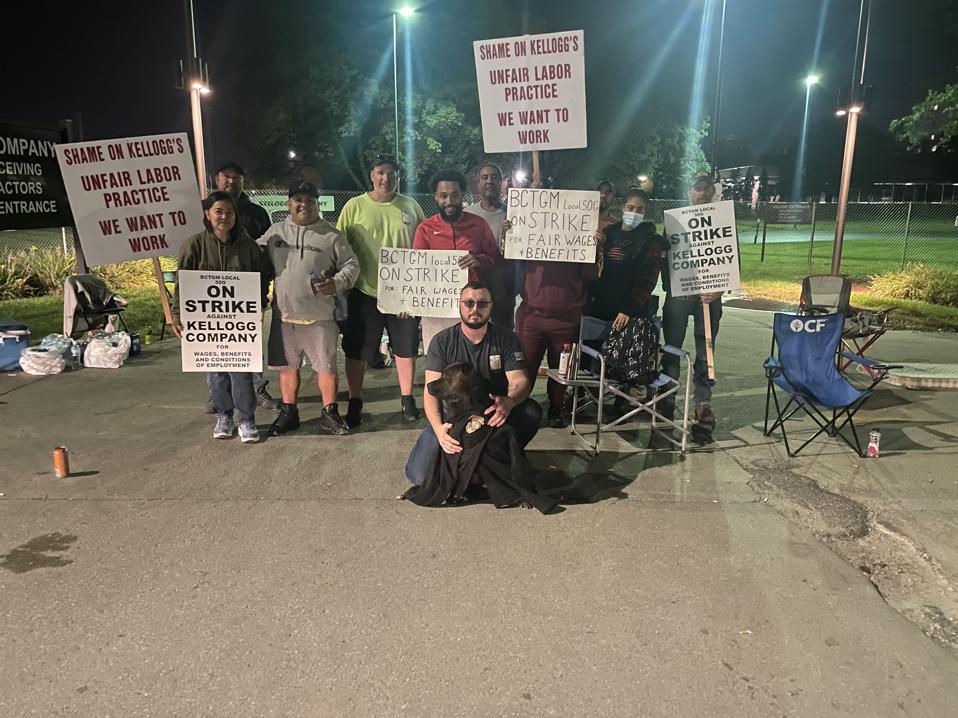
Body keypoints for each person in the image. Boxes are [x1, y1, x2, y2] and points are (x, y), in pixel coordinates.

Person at [404, 281, 541, 486]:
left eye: (482, 303)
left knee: (531, 412)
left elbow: (520, 381)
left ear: (491, 307)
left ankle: (504, 454)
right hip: (452, 416)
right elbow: (430, 390)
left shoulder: (506, 339)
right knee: (420, 476)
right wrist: (439, 428)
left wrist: (509, 401)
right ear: (459, 305)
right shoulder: (441, 341)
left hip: (492, 414)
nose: (475, 309)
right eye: (469, 303)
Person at [172, 191, 270, 443]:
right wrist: (177, 314)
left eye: (230, 212)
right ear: (207, 214)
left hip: (239, 322)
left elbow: (260, 279)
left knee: (242, 371)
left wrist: (259, 303)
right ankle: (224, 416)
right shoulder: (194, 245)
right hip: (208, 324)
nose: (224, 217)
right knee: (216, 372)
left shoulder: (248, 247)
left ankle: (246, 420)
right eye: (219, 211)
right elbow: (182, 283)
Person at [264, 180, 360, 436]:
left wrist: (336, 283)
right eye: (298, 200)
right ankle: (289, 412)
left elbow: (351, 265)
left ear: (317, 204)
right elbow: (255, 261)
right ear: (289, 203)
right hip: (284, 315)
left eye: (309, 200)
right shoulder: (274, 233)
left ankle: (329, 413)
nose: (303, 204)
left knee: (326, 367)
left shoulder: (331, 235)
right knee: (287, 367)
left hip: (320, 316)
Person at [337, 154, 426, 426]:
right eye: (380, 172)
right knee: (357, 352)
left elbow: (425, 245)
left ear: (398, 177)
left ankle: (407, 398)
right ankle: (355, 400)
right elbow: (338, 247)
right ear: (372, 176)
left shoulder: (411, 206)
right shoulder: (354, 207)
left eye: (391, 173)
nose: (386, 178)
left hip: (402, 295)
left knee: (405, 348)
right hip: (364, 293)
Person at [514, 228, 601, 429]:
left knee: (562, 370)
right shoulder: (532, 232)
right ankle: (519, 406)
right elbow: (513, 265)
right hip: (532, 315)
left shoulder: (579, 237)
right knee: (524, 367)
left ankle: (555, 408)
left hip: (567, 317)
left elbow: (590, 275)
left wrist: (593, 248)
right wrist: (510, 238)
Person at [660, 173, 723, 442]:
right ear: (689, 192)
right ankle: (666, 401)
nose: (702, 193)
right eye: (698, 189)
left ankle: (702, 405)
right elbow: (664, 259)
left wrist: (719, 289)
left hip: (708, 300)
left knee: (704, 353)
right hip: (678, 296)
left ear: (713, 192)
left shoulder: (721, 221)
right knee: (672, 351)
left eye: (707, 189)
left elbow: (730, 262)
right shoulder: (674, 222)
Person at [210, 161, 276, 412]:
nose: (231, 182)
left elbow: (268, 253)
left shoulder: (257, 214)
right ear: (216, 179)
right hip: (212, 295)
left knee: (249, 342)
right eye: (226, 177)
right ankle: (219, 393)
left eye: (237, 178)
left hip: (247, 293)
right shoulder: (205, 210)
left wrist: (262, 288)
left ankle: (257, 389)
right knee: (214, 345)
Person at [413, 169, 500, 353]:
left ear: (462, 195)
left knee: (473, 363)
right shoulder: (425, 229)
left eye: (454, 195)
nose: (449, 201)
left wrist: (478, 260)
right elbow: (416, 269)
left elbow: (494, 258)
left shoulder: (478, 224)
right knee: (437, 364)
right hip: (436, 310)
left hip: (472, 307)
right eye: (443, 196)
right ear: (435, 197)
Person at [588, 187, 662, 325]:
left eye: (640, 209)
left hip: (628, 314)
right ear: (623, 207)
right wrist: (599, 246)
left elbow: (648, 280)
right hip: (599, 307)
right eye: (630, 207)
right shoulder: (608, 233)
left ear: (645, 211)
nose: (634, 212)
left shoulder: (651, 240)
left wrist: (629, 309)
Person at [464, 163, 515, 329]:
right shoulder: (467, 215)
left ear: (502, 183)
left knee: (503, 333)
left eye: (494, 177)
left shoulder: (514, 214)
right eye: (484, 177)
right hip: (474, 284)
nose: (489, 181)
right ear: (477, 183)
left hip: (503, 287)